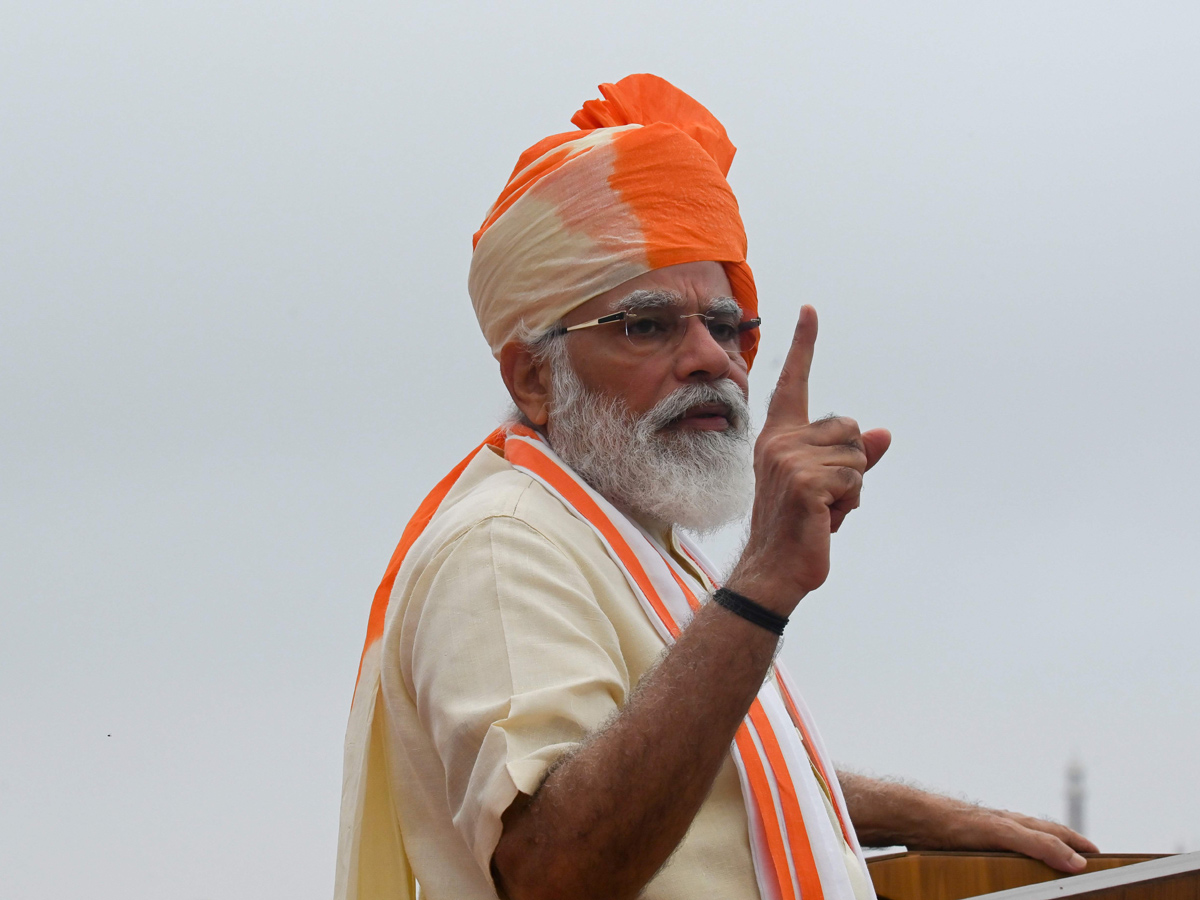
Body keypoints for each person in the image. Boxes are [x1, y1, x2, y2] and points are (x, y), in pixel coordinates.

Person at [334, 75, 1096, 900]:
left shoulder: (637, 539)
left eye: (725, 325)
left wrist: (930, 818)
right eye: (647, 325)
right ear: (534, 380)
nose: (710, 359)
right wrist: (764, 580)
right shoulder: (506, 545)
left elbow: (708, 773)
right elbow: (557, 866)